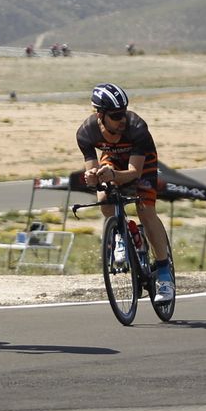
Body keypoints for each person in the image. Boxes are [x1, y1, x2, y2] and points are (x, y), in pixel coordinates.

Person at [76, 83, 175, 304]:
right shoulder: (85, 132)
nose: (122, 119)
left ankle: (164, 276)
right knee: (104, 200)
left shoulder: (137, 127)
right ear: (100, 115)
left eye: (124, 113)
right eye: (116, 115)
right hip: (112, 160)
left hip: (142, 163)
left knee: (145, 210)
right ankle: (122, 235)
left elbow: (133, 173)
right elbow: (91, 170)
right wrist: (92, 178)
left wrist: (112, 175)